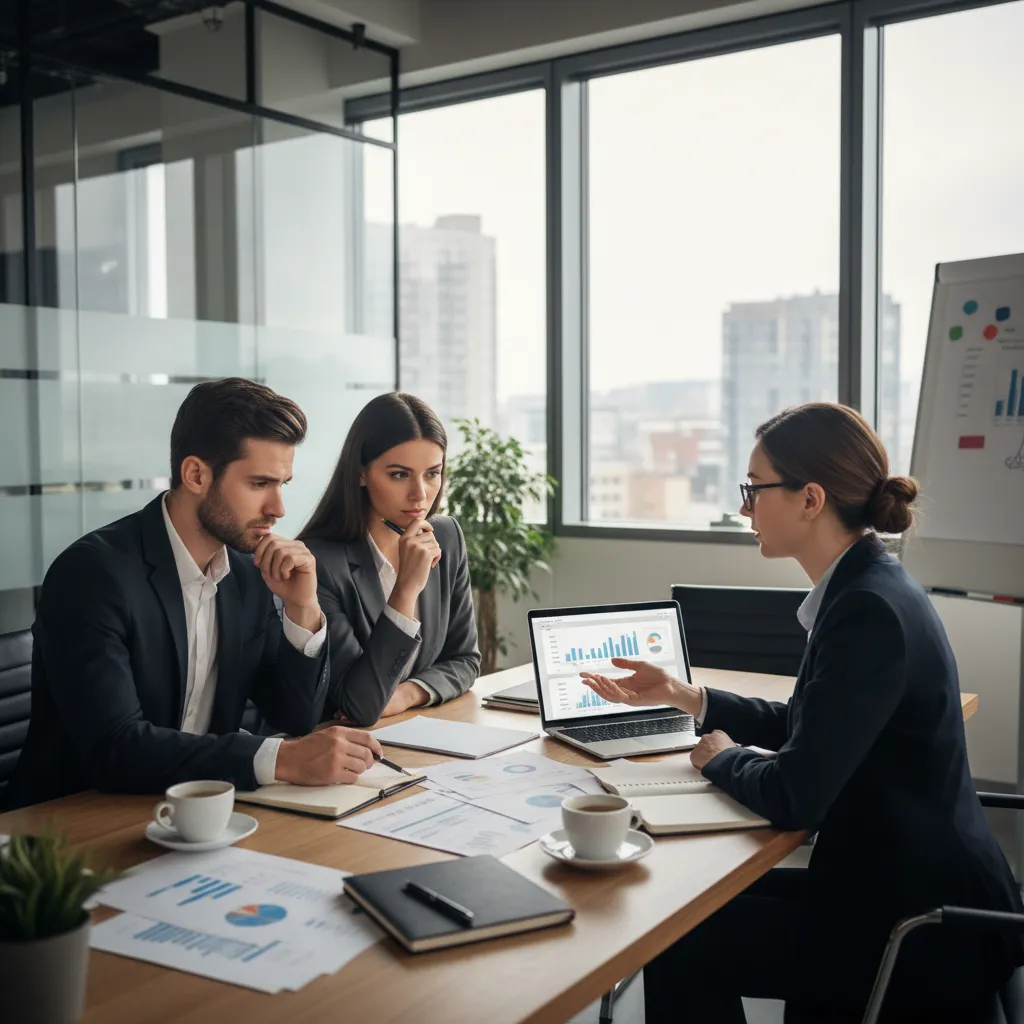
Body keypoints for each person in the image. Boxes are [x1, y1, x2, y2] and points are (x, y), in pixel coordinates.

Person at [581, 402, 1024, 1022]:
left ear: (810, 499)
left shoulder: (865, 609)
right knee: (686, 906)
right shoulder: (868, 583)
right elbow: (810, 722)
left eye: (754, 488)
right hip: (892, 877)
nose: (744, 507)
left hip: (919, 919)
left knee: (675, 933)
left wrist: (724, 758)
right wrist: (687, 696)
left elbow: (796, 795)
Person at [7, 378, 383, 811]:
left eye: (283, 484)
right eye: (260, 483)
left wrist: (303, 607)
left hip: (198, 811)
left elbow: (294, 717)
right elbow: (115, 749)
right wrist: (278, 759)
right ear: (196, 474)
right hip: (72, 826)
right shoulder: (92, 575)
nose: (278, 508)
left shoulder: (246, 573)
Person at [299, 392, 480, 727]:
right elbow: (360, 704)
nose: (421, 494)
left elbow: (465, 659)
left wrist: (407, 694)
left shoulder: (447, 536)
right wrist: (406, 590)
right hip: (341, 747)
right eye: (399, 474)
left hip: (417, 730)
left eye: (432, 473)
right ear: (360, 473)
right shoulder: (318, 562)